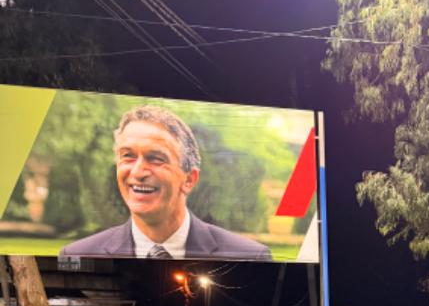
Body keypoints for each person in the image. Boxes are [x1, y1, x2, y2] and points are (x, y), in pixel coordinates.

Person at [59, 106, 272, 261]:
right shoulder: (77, 255)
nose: (137, 172)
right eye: (128, 156)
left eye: (155, 158)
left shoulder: (249, 257)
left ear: (189, 179)